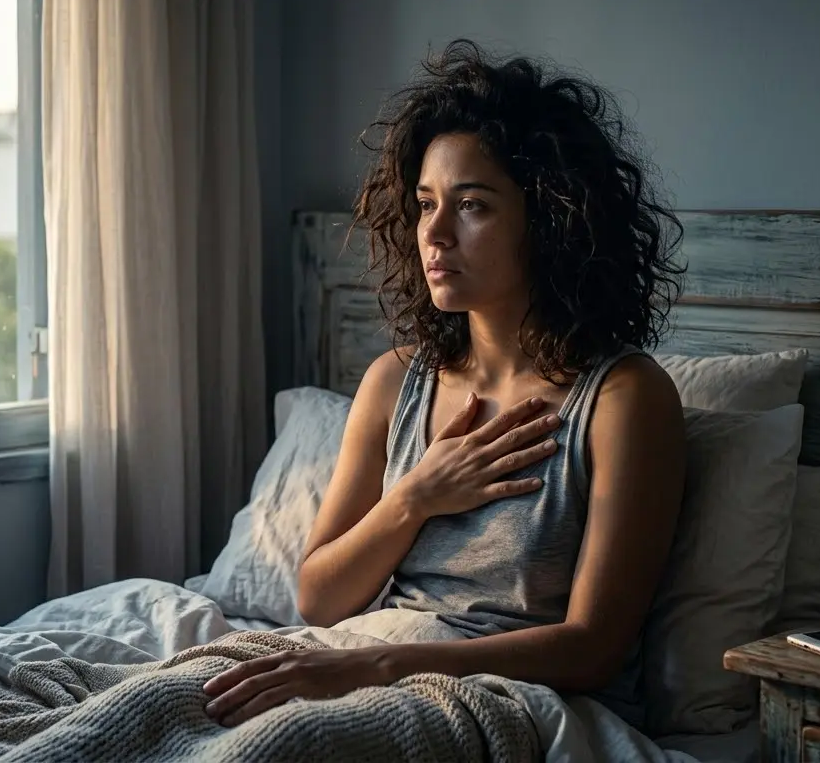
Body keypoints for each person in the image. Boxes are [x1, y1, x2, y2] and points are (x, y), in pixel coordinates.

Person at [204, 39, 688, 729]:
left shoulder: (622, 399)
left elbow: (592, 649)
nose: (434, 233)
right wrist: (417, 496)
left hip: (505, 701)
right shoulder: (395, 380)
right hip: (367, 657)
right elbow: (319, 599)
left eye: (473, 206)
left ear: (548, 221)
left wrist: (374, 668)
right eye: (426, 203)